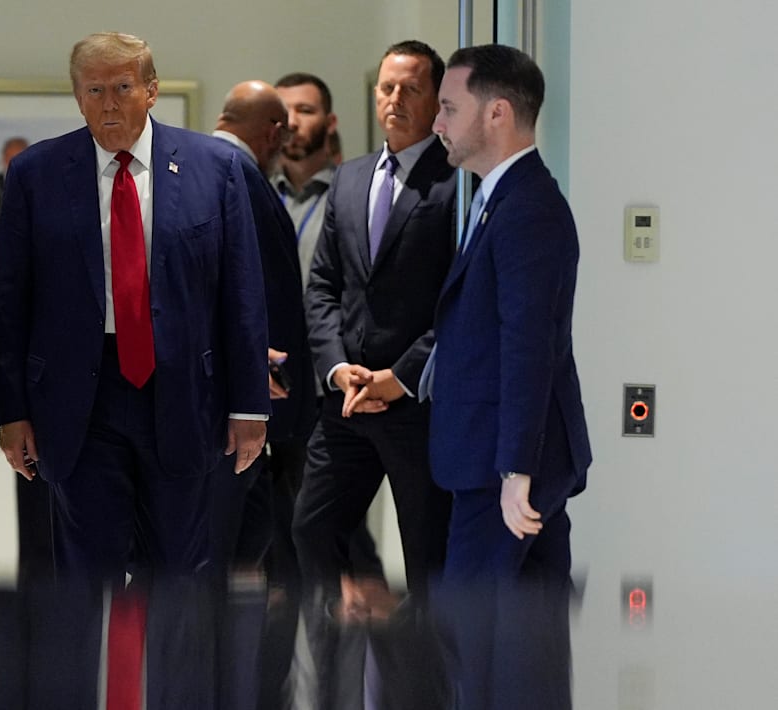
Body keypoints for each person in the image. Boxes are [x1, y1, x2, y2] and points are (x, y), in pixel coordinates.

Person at [0, 31, 269, 710]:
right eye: (94, 89)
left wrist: (249, 407)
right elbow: (10, 301)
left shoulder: (214, 168)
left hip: (184, 396)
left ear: (151, 89)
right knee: (85, 582)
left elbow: (242, 294)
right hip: (77, 404)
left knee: (180, 579)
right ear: (76, 95)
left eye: (122, 87)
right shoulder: (36, 174)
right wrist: (12, 411)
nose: (109, 103)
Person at [423, 43, 591, 710]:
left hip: (505, 470)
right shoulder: (501, 198)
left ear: (496, 113)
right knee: (516, 653)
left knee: (490, 652)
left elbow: (529, 346)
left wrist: (515, 469)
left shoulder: (528, 207)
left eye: (448, 107)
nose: (437, 122)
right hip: (493, 462)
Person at [294, 39, 458, 709]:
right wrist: (338, 370)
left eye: (410, 88)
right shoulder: (352, 178)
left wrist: (401, 374)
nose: (394, 99)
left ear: (437, 100)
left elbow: (459, 300)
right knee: (311, 527)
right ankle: (360, 654)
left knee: (427, 559)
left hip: (418, 405)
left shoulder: (457, 182)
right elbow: (323, 287)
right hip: (348, 403)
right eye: (387, 87)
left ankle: (427, 691)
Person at [209, 79, 316, 710]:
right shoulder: (241, 177)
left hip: (230, 403)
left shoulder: (200, 167)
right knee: (243, 557)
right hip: (251, 408)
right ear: (273, 132)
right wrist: (275, 394)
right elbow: (264, 295)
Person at [273, 72, 338, 291]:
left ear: (330, 123)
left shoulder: (349, 194)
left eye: (305, 111)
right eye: (283, 112)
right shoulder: (256, 192)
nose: (291, 122)